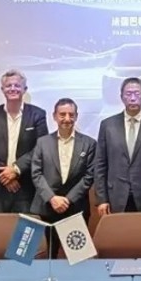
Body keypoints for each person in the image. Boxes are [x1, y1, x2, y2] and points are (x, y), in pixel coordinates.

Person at [93, 77, 141, 214]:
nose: (133, 98)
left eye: (137, 93)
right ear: (121, 97)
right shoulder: (107, 125)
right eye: (128, 94)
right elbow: (100, 164)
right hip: (115, 195)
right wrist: (102, 199)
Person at [0, 69, 49, 213]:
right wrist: (5, 174)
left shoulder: (37, 114)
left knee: (22, 228)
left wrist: (16, 169)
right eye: (8, 86)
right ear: (2, 90)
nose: (13, 89)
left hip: (24, 188)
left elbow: (40, 147)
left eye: (17, 85)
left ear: (24, 89)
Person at [31, 99, 97, 253]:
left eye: (71, 115)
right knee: (45, 256)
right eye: (62, 114)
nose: (67, 119)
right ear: (54, 116)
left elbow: (89, 176)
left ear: (76, 116)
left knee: (78, 257)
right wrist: (52, 198)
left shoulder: (89, 143)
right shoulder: (42, 142)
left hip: (75, 208)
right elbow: (36, 173)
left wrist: (68, 199)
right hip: (46, 207)